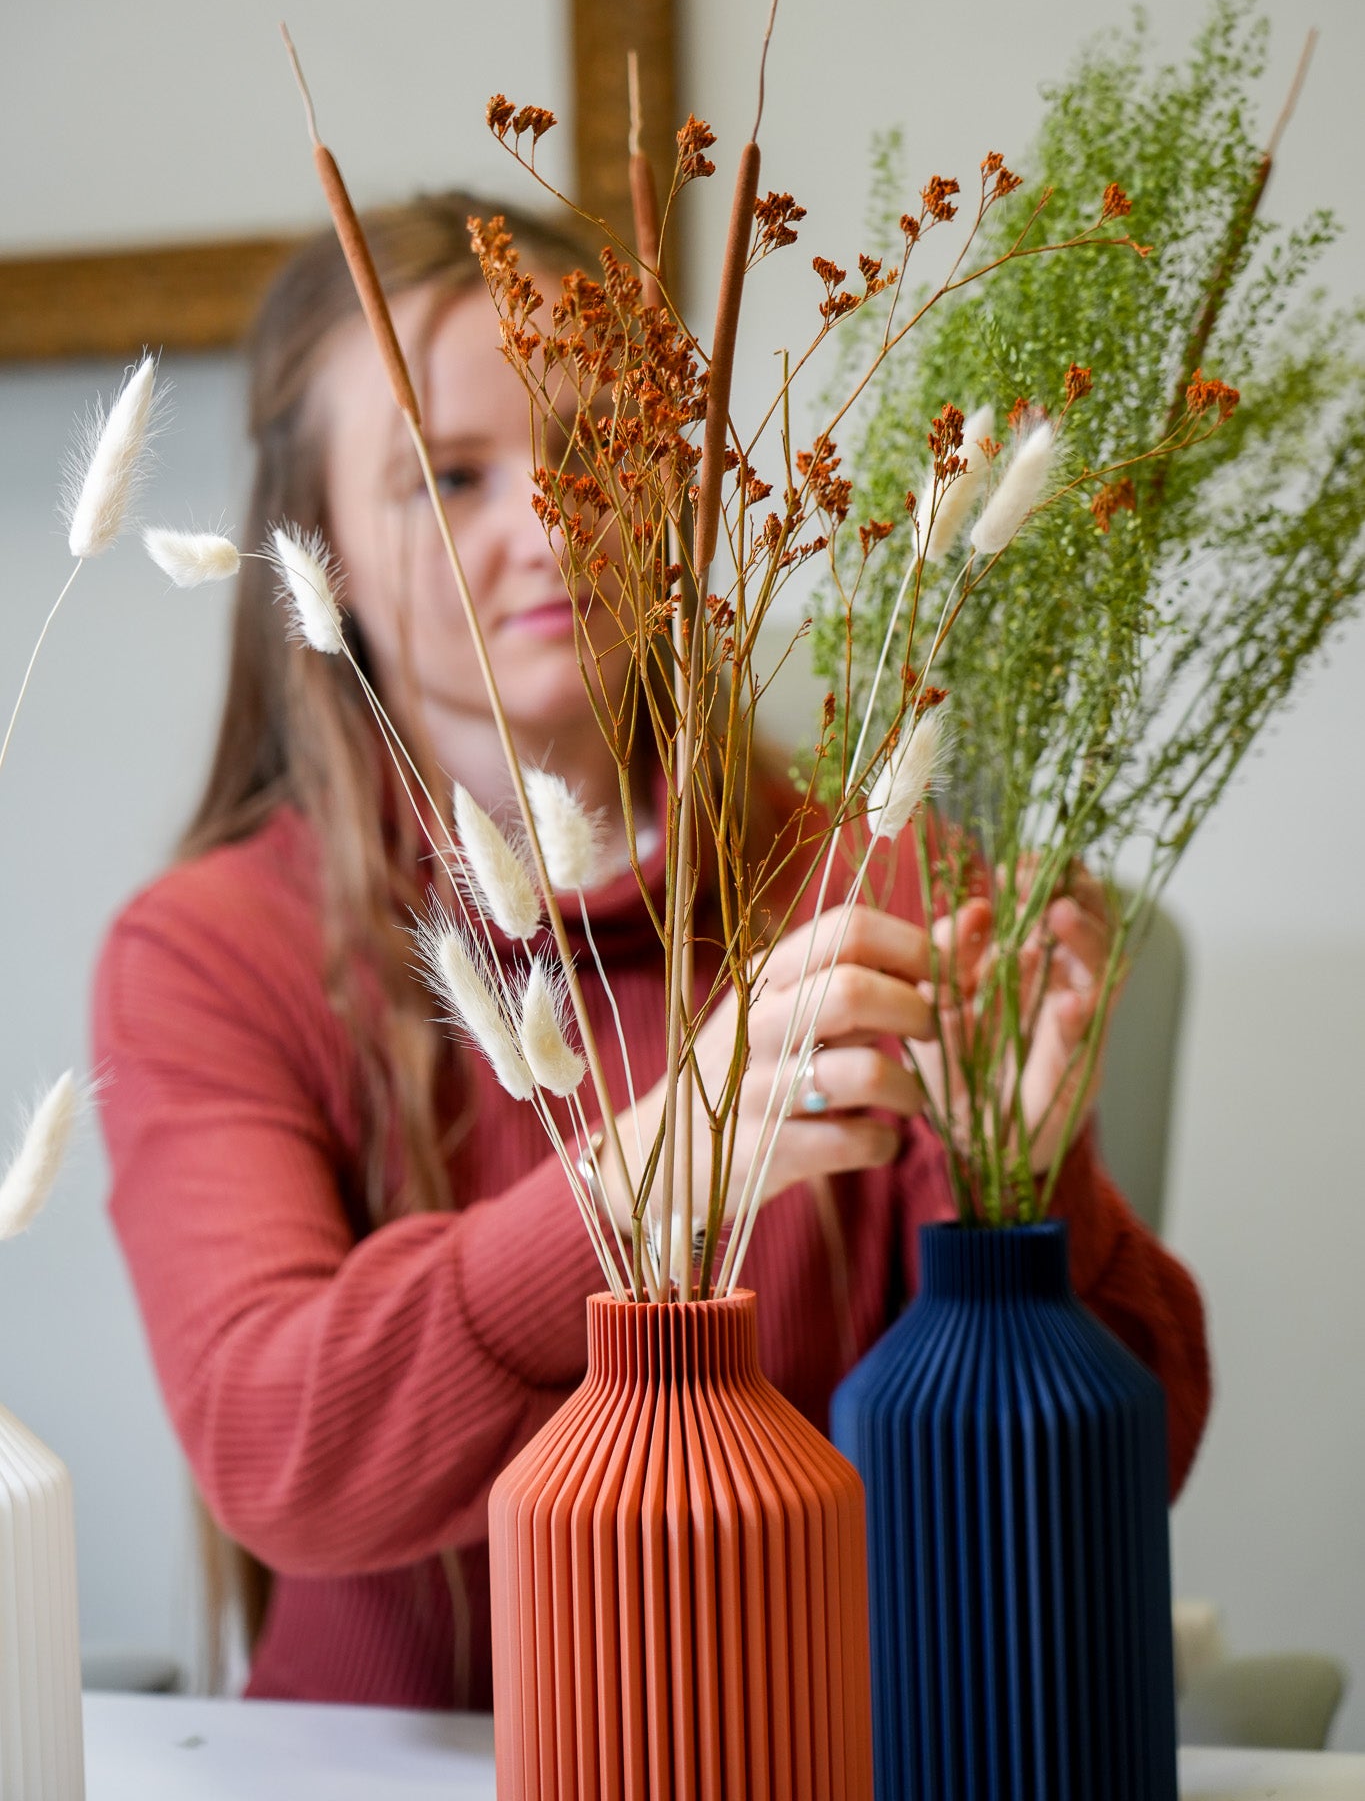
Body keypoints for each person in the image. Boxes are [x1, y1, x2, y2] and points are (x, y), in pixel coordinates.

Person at [93, 191, 1210, 1710]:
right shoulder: (216, 949)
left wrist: (1030, 1208)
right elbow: (278, 1448)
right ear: (325, 550)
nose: (550, 516)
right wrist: (653, 1169)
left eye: (595, 448)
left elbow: (1127, 1464)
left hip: (803, 1746)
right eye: (448, 475)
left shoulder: (875, 887)